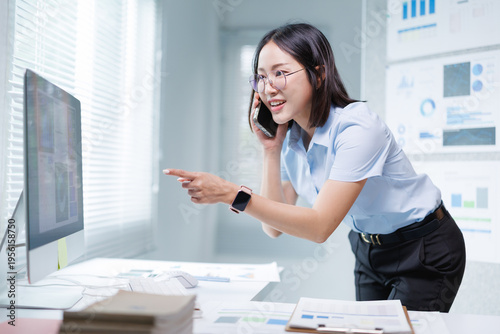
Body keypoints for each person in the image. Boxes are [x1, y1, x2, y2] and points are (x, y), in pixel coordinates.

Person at [164, 23, 466, 312]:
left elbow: (319, 226)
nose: (268, 88)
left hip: (425, 247)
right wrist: (271, 152)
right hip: (368, 249)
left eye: (280, 73)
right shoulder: (292, 139)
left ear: (318, 75)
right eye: (260, 77)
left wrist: (232, 194)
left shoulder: (356, 128)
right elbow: (272, 229)